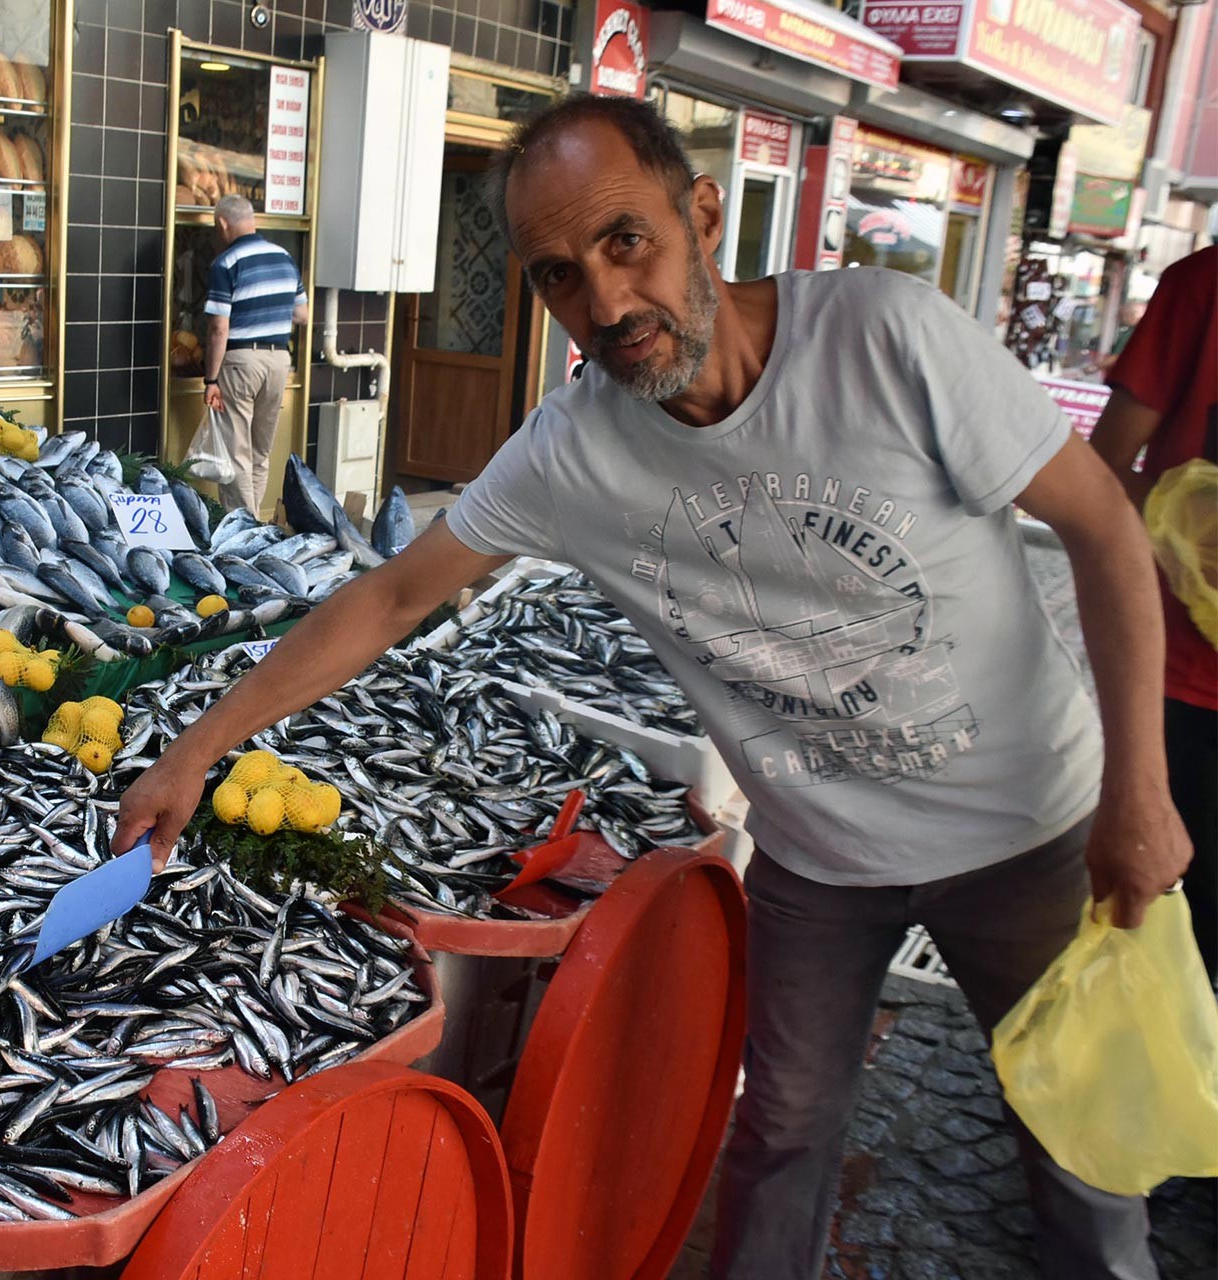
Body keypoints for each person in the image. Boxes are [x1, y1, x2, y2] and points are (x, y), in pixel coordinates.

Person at [116, 95, 1190, 1280]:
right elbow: (389, 597)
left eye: (628, 241)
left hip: (1032, 828)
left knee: (1081, 1145)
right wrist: (197, 749)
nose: (610, 304)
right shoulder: (573, 451)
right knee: (777, 1134)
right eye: (561, 275)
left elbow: (1105, 532)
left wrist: (1139, 790)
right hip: (819, 860)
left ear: (703, 212)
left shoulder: (891, 336)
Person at [1090, 245, 1217, 980]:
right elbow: (1099, 469)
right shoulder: (1202, 287)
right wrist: (1188, 522)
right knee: (1183, 938)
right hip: (1191, 690)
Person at [201, 194, 309, 513]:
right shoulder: (283, 257)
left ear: (223, 223)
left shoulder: (226, 263)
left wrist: (210, 379)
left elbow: (219, 328)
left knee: (237, 453)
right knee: (260, 453)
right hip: (279, 361)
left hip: (241, 361)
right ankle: (253, 524)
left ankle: (243, 532)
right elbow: (302, 314)